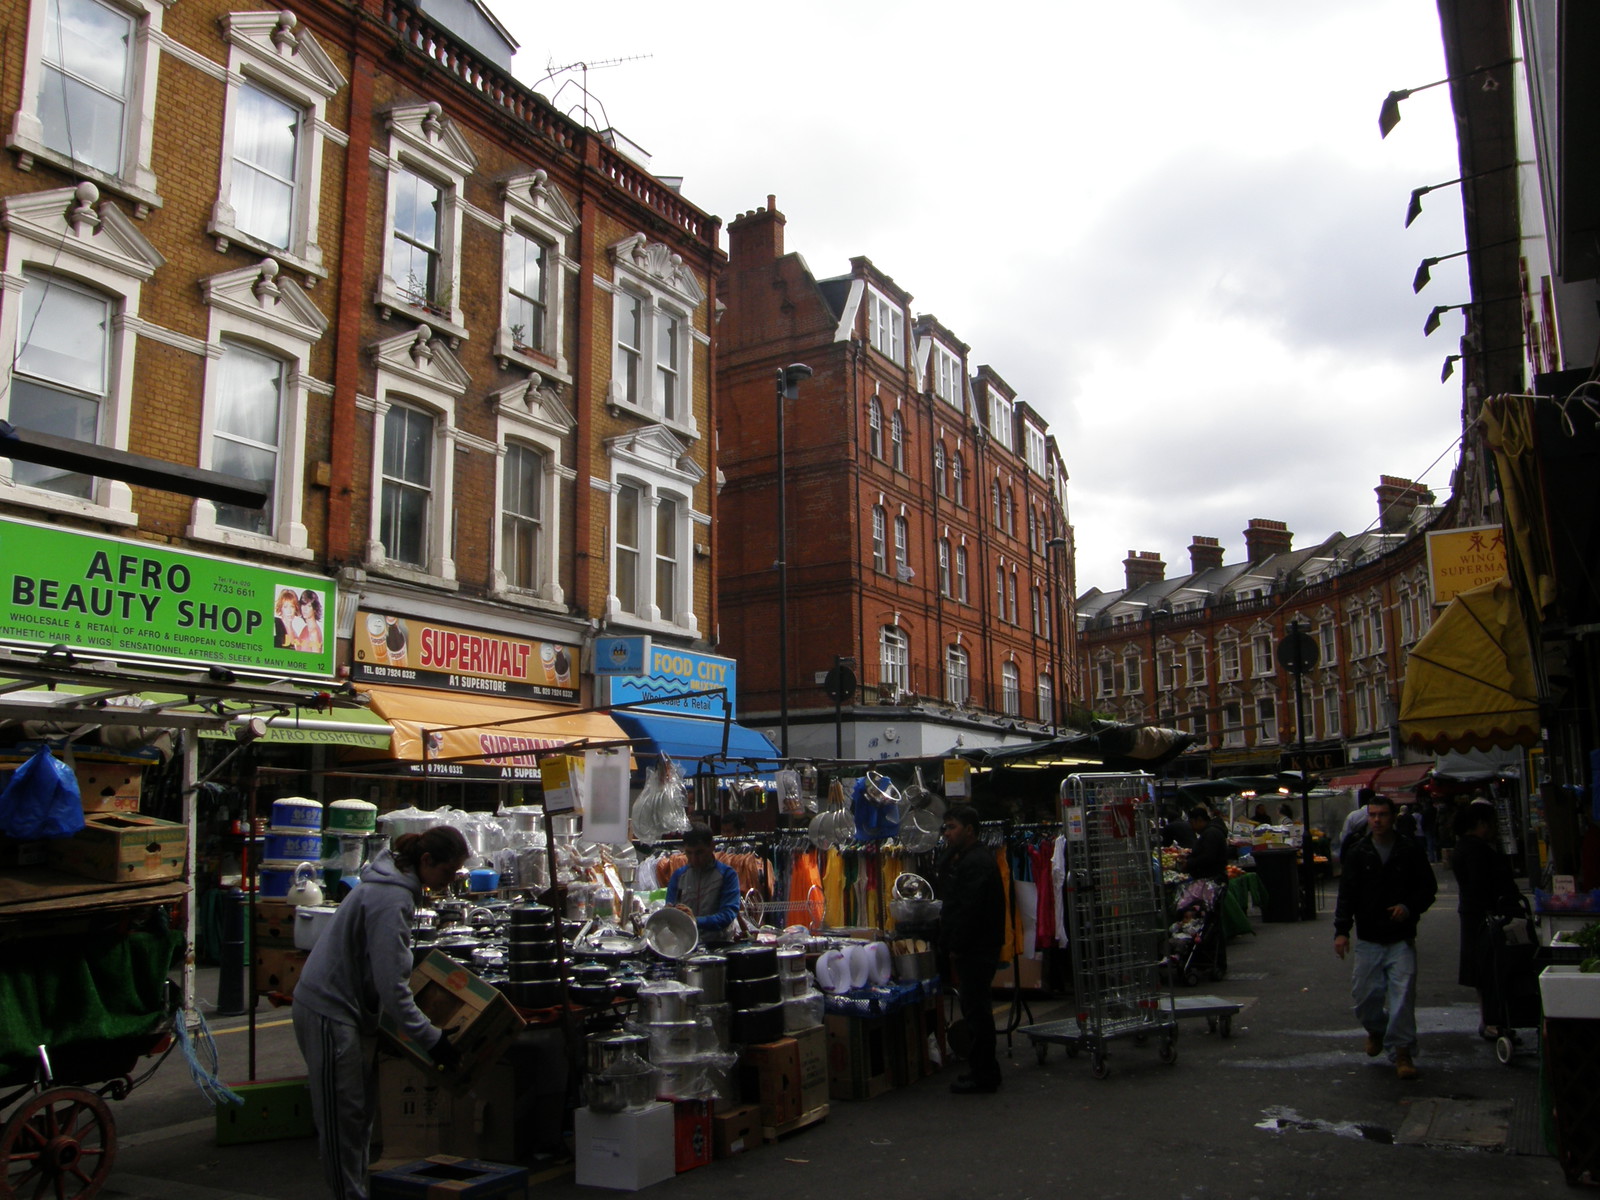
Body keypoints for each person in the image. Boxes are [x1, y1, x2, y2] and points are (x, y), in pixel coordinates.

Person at [293, 825, 469, 1200]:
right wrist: (431, 1038)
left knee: (357, 1119)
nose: (448, 883)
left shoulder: (394, 888)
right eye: (446, 873)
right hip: (327, 1009)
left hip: (350, 1012)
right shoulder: (392, 899)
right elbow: (392, 987)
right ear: (425, 861)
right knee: (342, 1122)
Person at [1333, 793, 1437, 1080]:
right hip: (1368, 936)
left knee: (1402, 995)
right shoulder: (1358, 851)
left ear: (1393, 817)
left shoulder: (1408, 849)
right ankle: (1376, 1030)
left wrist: (1408, 907)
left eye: (1382, 815)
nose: (1377, 820)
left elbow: (1427, 887)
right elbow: (1347, 893)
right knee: (1365, 996)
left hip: (1400, 936)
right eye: (1373, 815)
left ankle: (1402, 1051)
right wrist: (1342, 931)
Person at [935, 804, 1005, 1094]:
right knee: (975, 1007)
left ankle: (984, 1073)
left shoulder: (976, 862)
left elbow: (969, 910)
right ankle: (983, 1070)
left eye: (952, 827)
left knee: (977, 1010)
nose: (948, 833)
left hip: (976, 948)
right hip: (976, 946)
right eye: (946, 828)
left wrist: (957, 945)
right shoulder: (968, 858)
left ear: (970, 830)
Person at [1451, 799, 1522, 1039]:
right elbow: (1479, 884)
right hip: (1484, 917)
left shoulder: (1465, 847)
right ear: (1481, 824)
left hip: (1475, 914)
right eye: (1491, 824)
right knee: (1490, 967)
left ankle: (1488, 1019)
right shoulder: (1475, 850)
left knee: (1484, 970)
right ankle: (1492, 1021)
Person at [666, 824, 741, 941]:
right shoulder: (678, 876)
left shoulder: (727, 875)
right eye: (689, 853)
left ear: (712, 846)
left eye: (699, 852)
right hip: (686, 945)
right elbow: (669, 911)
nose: (694, 859)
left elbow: (728, 915)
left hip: (719, 946)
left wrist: (695, 920)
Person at [1185, 805, 1229, 883]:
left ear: (1199, 820)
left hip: (1212, 879)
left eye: (1192, 823)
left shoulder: (1211, 833)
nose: (1191, 827)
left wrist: (1189, 863)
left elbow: (1208, 857)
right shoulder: (1209, 832)